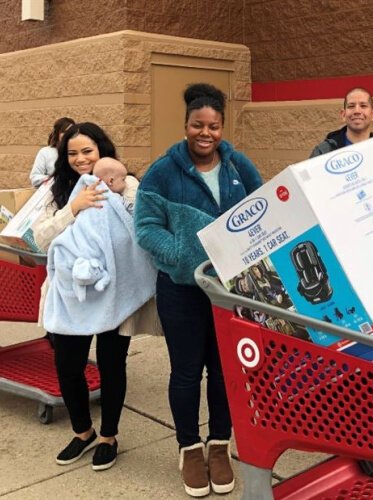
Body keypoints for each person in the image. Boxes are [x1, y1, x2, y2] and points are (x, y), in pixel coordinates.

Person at [135, 83, 263, 497]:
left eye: (213, 126)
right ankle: (190, 447)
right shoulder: (162, 172)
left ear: (221, 127)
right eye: (197, 125)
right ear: (186, 125)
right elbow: (145, 227)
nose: (205, 133)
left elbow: (262, 212)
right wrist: (180, 256)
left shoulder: (239, 166)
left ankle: (220, 445)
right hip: (182, 290)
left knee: (226, 371)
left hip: (230, 292)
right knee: (187, 372)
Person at [32, 122, 145, 472]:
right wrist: (74, 208)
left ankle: (109, 436)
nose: (81, 159)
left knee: (112, 365)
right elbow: (40, 238)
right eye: (73, 153)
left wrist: (122, 192)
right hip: (71, 295)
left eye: (88, 151)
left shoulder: (126, 183)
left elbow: (139, 224)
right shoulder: (56, 190)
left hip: (114, 290)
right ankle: (83, 432)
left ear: (102, 150)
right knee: (68, 366)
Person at [29, 117, 75, 187]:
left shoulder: (78, 152)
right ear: (57, 133)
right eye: (64, 132)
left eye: (71, 132)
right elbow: (34, 178)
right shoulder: (46, 152)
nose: (68, 135)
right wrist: (54, 179)